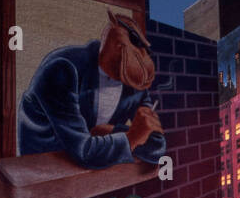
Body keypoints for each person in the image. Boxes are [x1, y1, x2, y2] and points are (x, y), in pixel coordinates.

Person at [17, 10, 165, 167]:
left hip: (95, 167)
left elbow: (157, 146)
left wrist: (111, 130)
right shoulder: (62, 69)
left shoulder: (135, 84)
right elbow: (84, 152)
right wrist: (132, 137)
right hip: (45, 165)